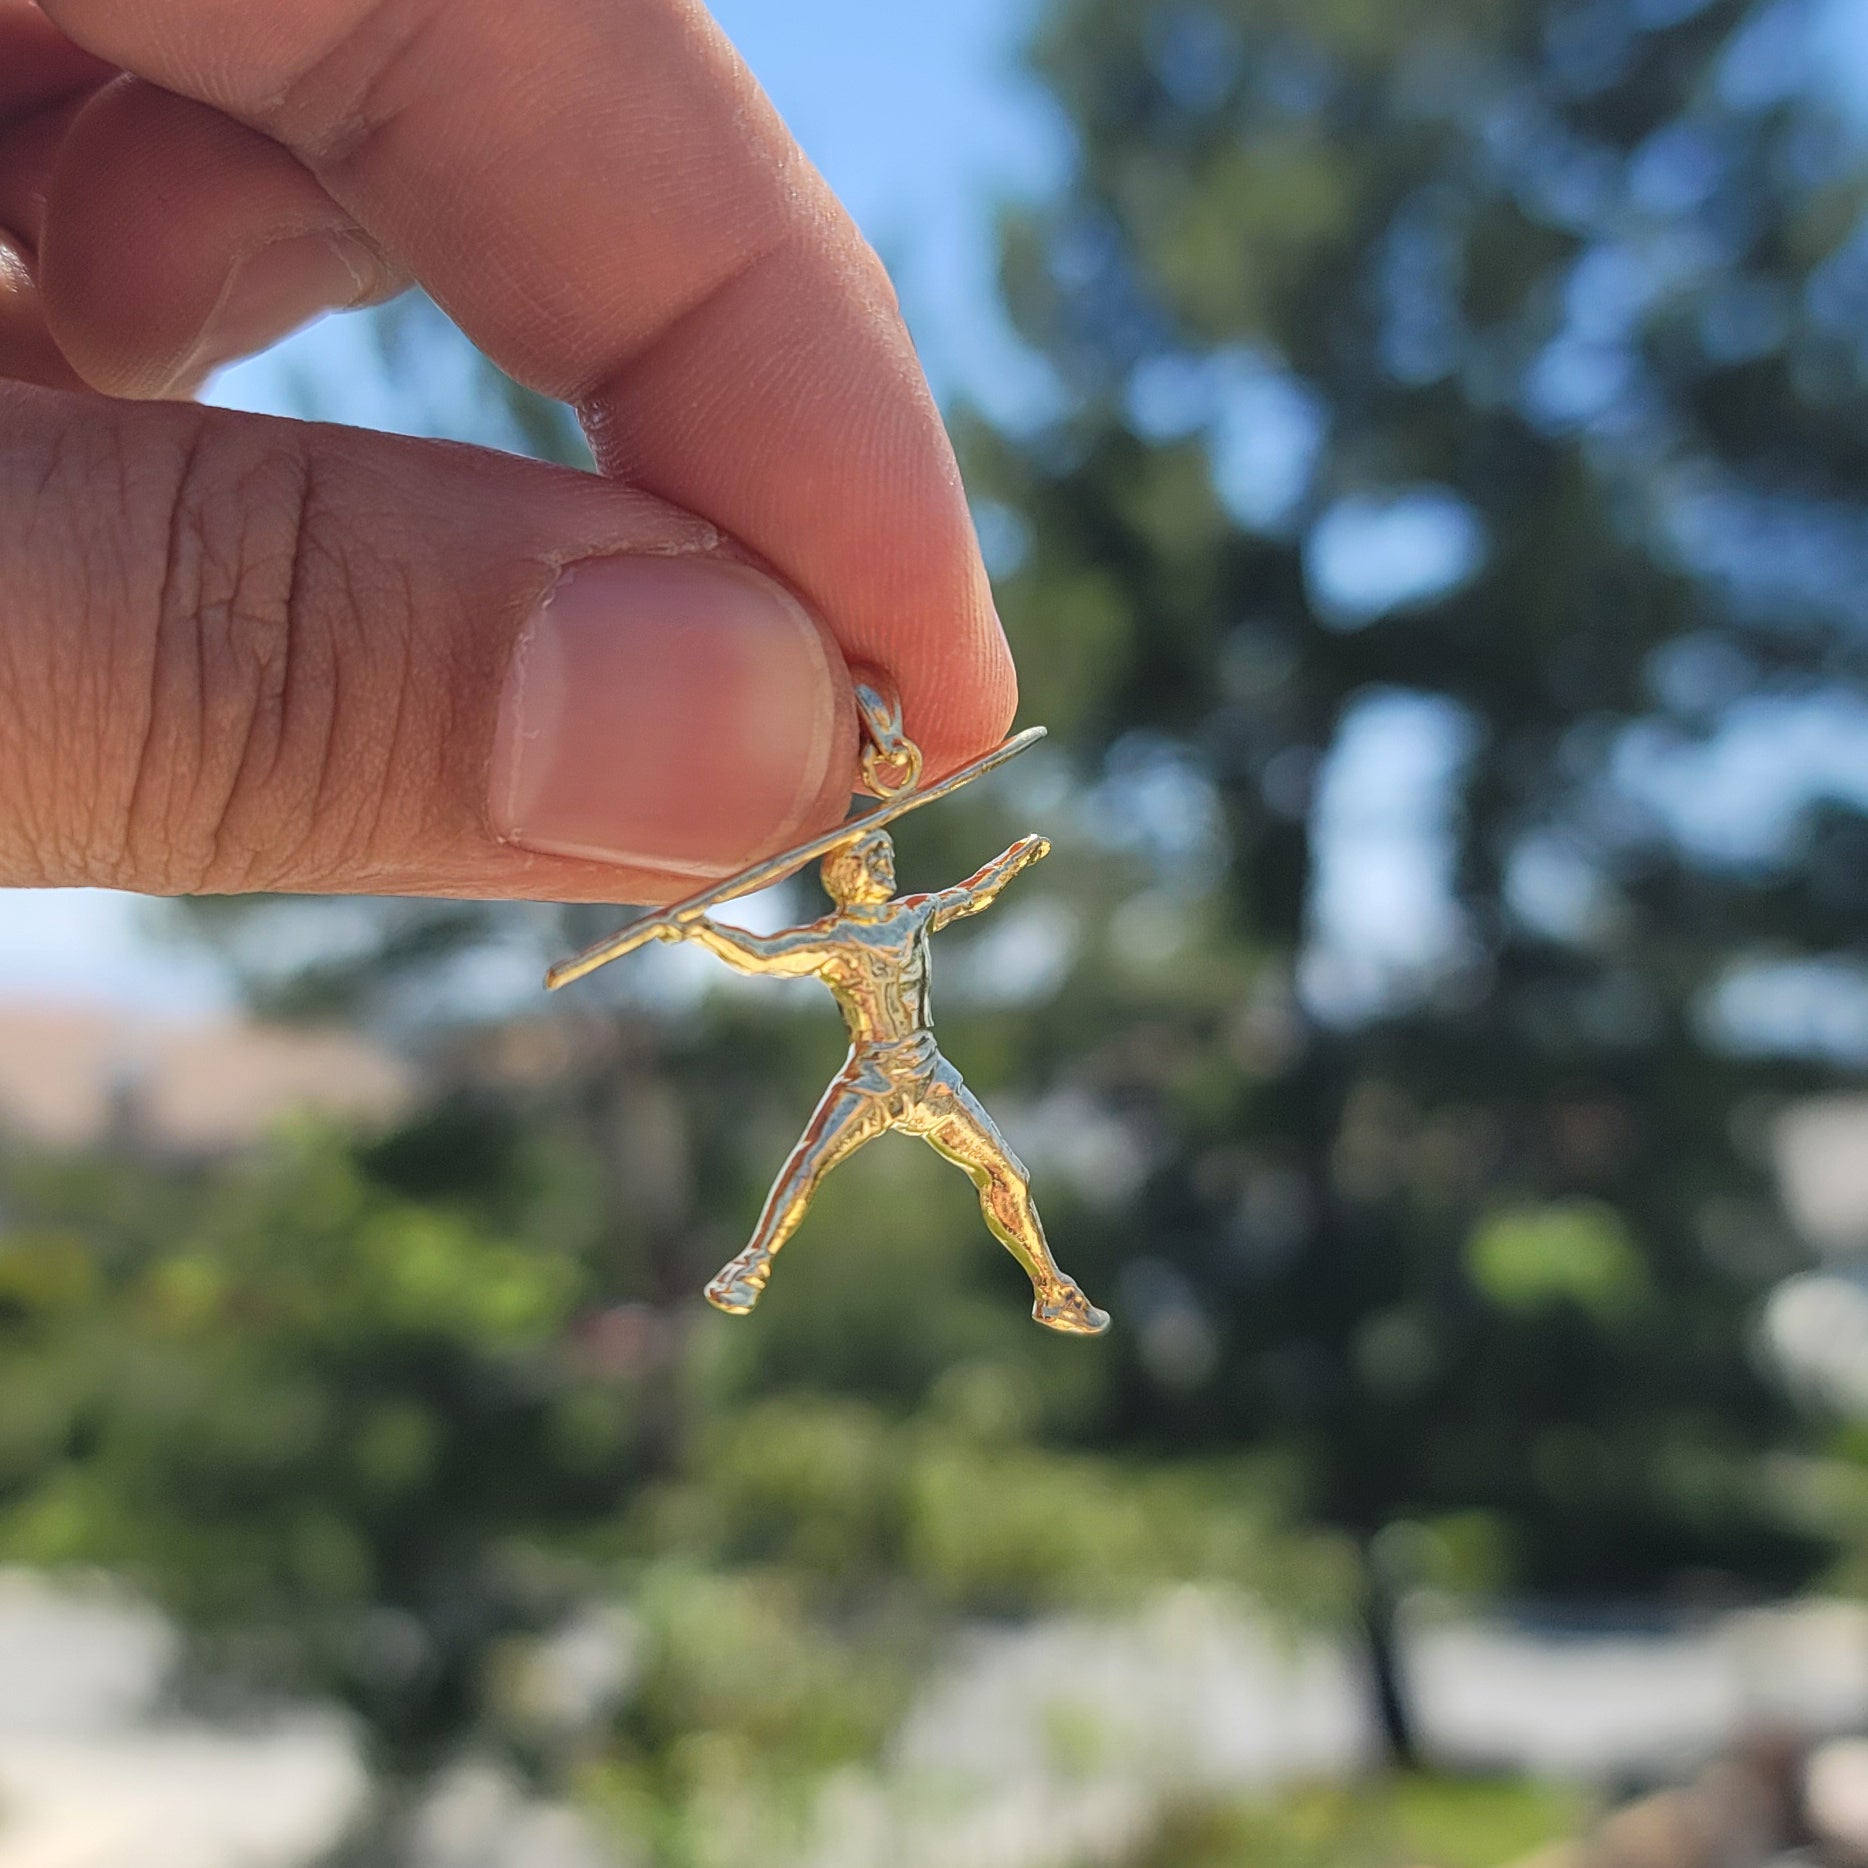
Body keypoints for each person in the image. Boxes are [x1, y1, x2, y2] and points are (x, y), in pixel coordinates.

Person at [0, 0, 1011, 901]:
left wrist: (1012, 863)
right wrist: (694, 939)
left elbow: (959, 898)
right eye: (874, 868)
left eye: (874, 872)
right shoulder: (856, 935)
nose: (877, 877)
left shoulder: (896, 922)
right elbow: (769, 951)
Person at [658, 827, 1111, 1335]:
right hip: (872, 1079)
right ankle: (749, 1268)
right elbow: (762, 955)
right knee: (809, 1161)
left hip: (931, 1076)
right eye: (874, 855)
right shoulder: (834, 941)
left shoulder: (910, 916)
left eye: (887, 853)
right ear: (845, 873)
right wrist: (700, 930)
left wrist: (1015, 856)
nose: (886, 862)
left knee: (1009, 1175)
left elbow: (972, 893)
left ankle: (1052, 1291)